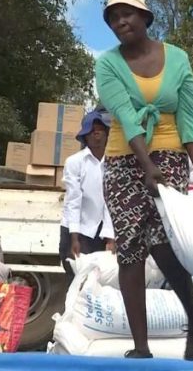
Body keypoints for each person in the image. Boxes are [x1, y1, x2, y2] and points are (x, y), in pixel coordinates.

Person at [95, 0, 193, 360]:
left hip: (170, 155)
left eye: (128, 13)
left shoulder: (178, 59)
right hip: (123, 157)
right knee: (130, 247)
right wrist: (145, 167)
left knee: (164, 243)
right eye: (114, 16)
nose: (121, 21)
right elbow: (126, 116)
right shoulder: (107, 64)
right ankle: (141, 346)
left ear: (146, 17)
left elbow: (188, 119)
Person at [58, 110, 116, 286]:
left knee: (101, 279)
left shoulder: (114, 162)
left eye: (100, 130)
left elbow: (111, 200)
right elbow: (73, 201)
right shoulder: (75, 162)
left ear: (107, 135)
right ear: (85, 137)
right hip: (78, 228)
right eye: (92, 131)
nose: (96, 135)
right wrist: (74, 238)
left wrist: (111, 237)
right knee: (78, 278)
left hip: (102, 229)